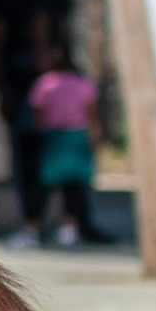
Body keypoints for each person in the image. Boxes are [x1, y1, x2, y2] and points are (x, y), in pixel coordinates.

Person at [20, 42, 101, 249]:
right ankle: (69, 230)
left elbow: (38, 117)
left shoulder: (44, 84)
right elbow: (91, 116)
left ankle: (33, 230)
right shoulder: (83, 84)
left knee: (43, 187)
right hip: (77, 137)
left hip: (54, 138)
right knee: (73, 187)